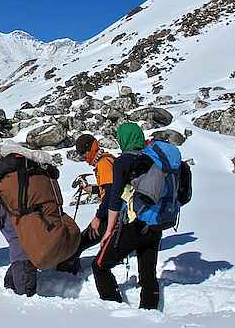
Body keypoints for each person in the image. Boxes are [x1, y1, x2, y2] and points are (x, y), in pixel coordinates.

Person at [92, 122, 162, 310]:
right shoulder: (152, 158)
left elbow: (114, 199)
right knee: (148, 275)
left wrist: (108, 231)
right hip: (155, 223)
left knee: (99, 266)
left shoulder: (122, 161)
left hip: (133, 226)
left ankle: (114, 310)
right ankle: (150, 314)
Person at [57, 134, 115, 274]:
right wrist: (91, 189)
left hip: (109, 214)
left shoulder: (103, 164)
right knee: (84, 240)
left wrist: (98, 218)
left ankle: (67, 271)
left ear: (90, 149)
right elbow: (108, 187)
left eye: (83, 153)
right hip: (113, 212)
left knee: (82, 241)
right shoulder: (106, 160)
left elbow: (110, 195)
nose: (83, 157)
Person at [0, 184, 37, 297]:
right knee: (9, 282)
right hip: (36, 248)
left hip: (22, 255)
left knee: (26, 298)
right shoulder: (27, 186)